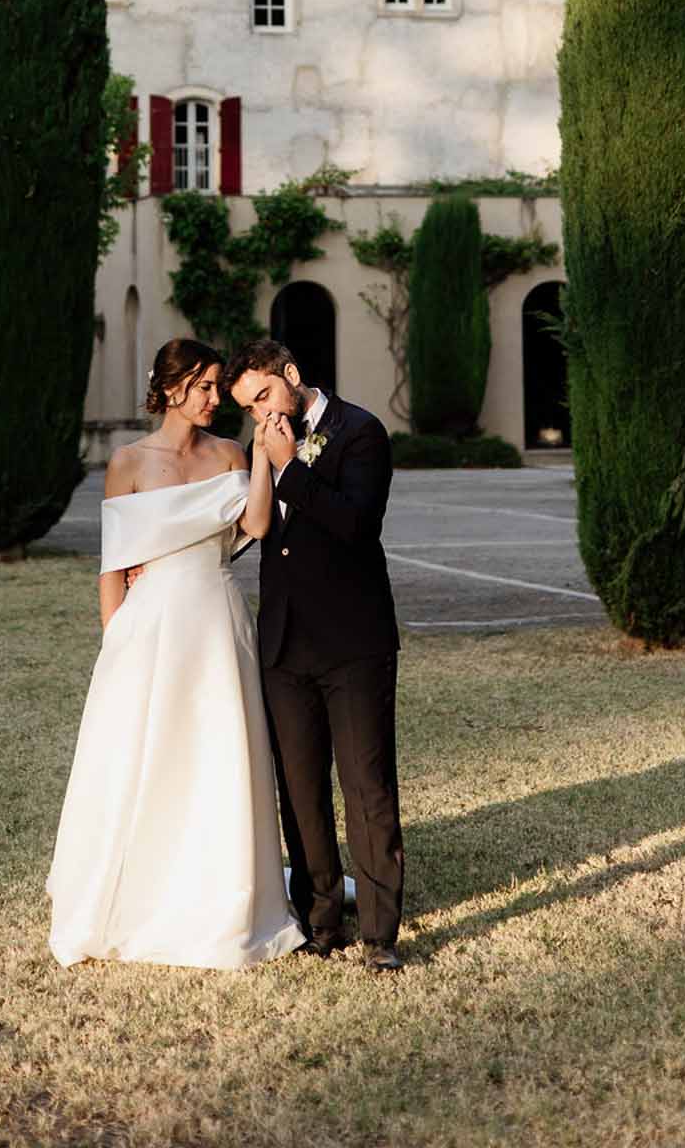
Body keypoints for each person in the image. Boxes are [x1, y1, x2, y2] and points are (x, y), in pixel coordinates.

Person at [47, 338, 305, 969]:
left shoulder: (228, 453)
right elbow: (113, 564)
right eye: (206, 387)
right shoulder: (129, 463)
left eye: (219, 386)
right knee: (144, 752)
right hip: (150, 623)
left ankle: (221, 899)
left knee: (219, 752)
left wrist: (266, 461)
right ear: (171, 390)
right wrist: (116, 642)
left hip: (216, 619)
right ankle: (136, 894)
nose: (216, 399)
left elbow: (258, 527)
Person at [225, 337, 405, 974]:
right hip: (283, 644)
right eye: (248, 407)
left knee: (367, 787)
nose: (261, 414)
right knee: (300, 790)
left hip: (354, 642)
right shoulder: (262, 447)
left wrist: (290, 465)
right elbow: (253, 532)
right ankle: (320, 921)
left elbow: (356, 525)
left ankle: (381, 933)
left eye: (265, 395)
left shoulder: (361, 432)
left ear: (292, 375)